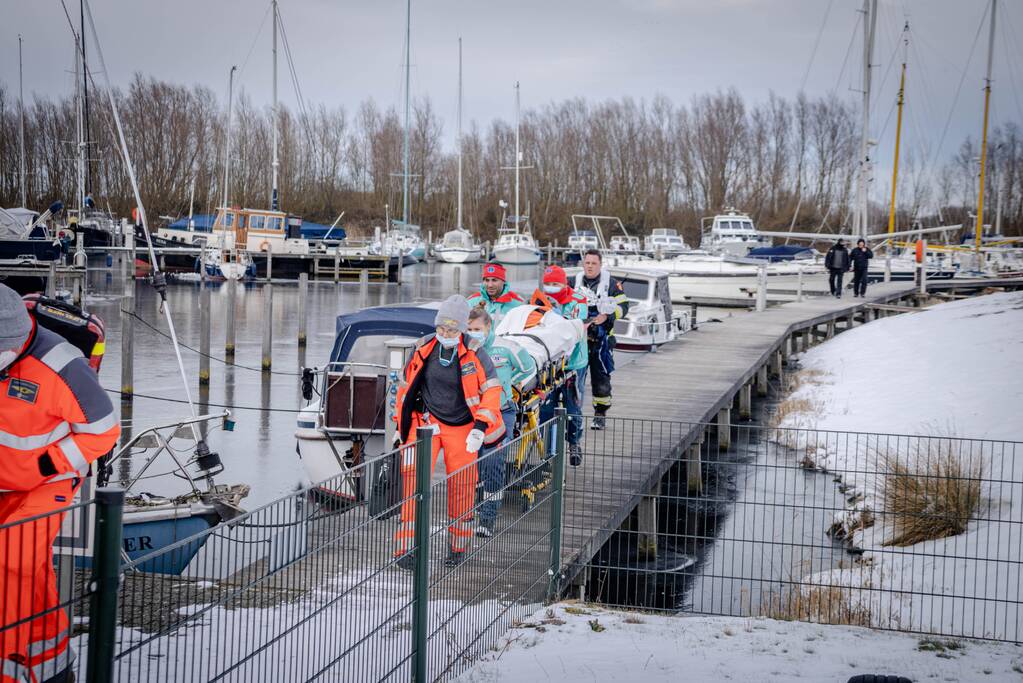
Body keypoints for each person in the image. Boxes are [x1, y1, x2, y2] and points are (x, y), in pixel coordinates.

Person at [0, 283, 120, 683]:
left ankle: (13, 666)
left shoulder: (61, 366)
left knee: (11, 560)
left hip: (44, 482)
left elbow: (104, 429)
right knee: (30, 573)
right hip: (5, 477)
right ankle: (45, 662)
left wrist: (46, 464)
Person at [392, 295, 505, 569]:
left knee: (463, 485)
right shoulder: (423, 348)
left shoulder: (475, 353)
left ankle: (458, 548)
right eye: (442, 328)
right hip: (426, 423)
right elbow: (404, 390)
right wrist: (400, 427)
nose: (445, 334)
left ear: (463, 329)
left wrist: (480, 426)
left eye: (452, 330)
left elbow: (491, 390)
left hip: (463, 427)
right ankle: (405, 550)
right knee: (413, 484)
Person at [466, 308, 536, 537]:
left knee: (493, 461)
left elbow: (528, 367)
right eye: (469, 329)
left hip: (501, 411)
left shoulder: (506, 348)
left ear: (488, 328)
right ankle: (470, 507)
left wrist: (508, 386)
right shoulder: (465, 350)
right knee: (472, 462)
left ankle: (487, 518)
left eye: (477, 329)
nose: (473, 333)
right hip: (473, 414)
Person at [530, 266, 589, 466]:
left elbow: (576, 326)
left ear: (565, 283)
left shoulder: (578, 301)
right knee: (547, 408)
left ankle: (574, 442)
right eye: (548, 284)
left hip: (573, 363)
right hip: (549, 362)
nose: (551, 288)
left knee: (573, 405)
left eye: (556, 284)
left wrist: (555, 317)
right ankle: (550, 449)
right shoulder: (539, 300)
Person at [573, 249, 629, 430]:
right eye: (587, 263)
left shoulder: (612, 284)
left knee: (601, 379)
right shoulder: (573, 282)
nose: (590, 266)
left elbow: (624, 306)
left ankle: (600, 414)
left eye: (593, 263)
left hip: (602, 340)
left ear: (600, 264)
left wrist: (607, 316)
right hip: (578, 339)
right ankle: (573, 415)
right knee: (573, 380)